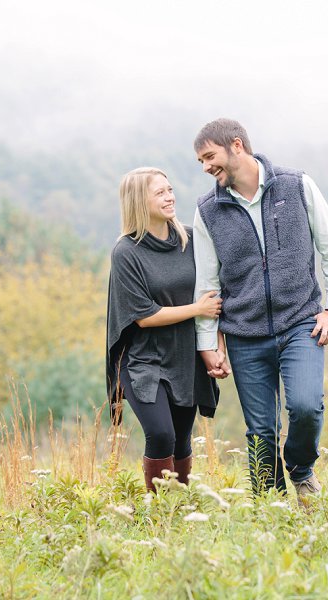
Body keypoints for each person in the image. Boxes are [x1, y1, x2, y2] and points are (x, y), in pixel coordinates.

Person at [192, 118, 328, 500]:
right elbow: (208, 285)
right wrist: (207, 343)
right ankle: (269, 507)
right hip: (244, 333)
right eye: (200, 161)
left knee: (306, 407)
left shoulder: (296, 186)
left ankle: (300, 469)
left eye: (210, 157)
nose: (205, 168)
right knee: (260, 429)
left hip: (301, 323)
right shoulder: (207, 211)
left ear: (237, 146)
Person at [106, 167, 225, 493]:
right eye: (159, 193)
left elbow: (214, 296)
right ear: (138, 201)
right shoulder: (126, 252)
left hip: (185, 357)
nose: (170, 197)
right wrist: (196, 309)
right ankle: (159, 511)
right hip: (143, 361)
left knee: (182, 439)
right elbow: (143, 316)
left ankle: (179, 509)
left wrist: (217, 347)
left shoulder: (191, 239)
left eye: (170, 190)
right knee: (161, 434)